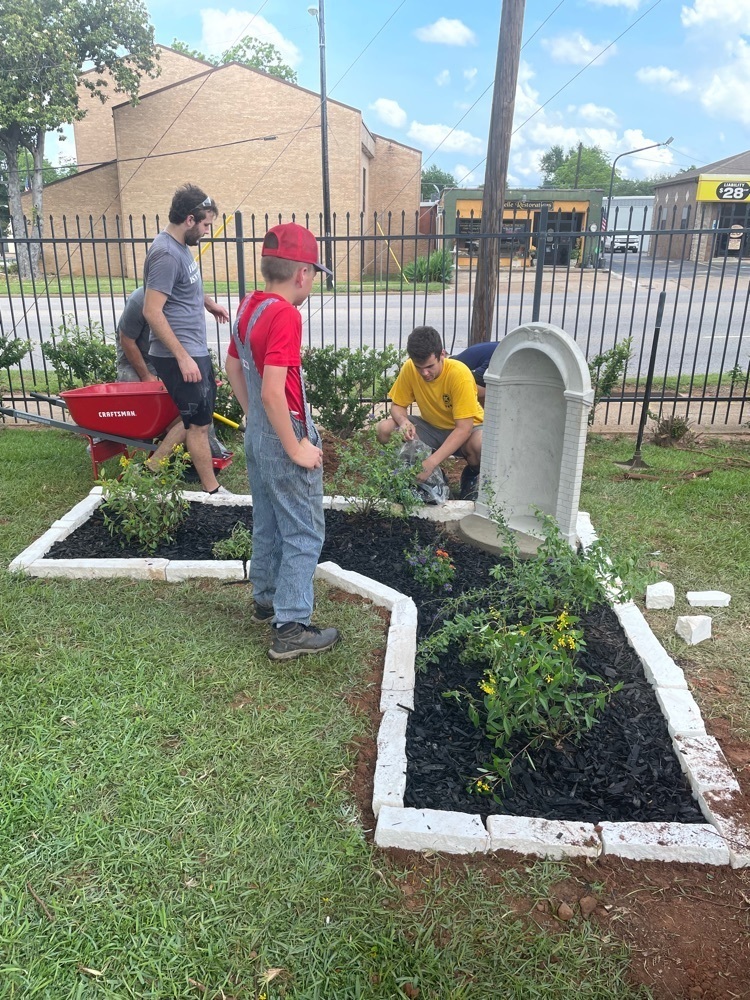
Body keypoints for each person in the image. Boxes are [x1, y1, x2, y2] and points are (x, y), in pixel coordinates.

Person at [224, 223, 340, 661]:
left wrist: (255, 418)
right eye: (312, 272)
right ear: (302, 273)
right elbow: (275, 391)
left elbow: (234, 368)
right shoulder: (286, 315)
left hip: (257, 434)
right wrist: (295, 447)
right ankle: (290, 626)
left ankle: (266, 598)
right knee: (305, 531)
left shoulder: (249, 306)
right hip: (284, 432)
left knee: (269, 520)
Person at [142, 183, 232, 495]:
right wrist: (182, 357)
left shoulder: (179, 247)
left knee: (198, 419)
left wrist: (207, 302)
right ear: (190, 220)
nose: (208, 231)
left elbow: (182, 286)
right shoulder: (166, 253)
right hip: (178, 354)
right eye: (206, 224)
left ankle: (154, 467)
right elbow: (152, 311)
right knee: (198, 424)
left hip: (192, 349)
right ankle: (212, 490)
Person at [116, 285, 231, 468]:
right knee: (167, 407)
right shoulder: (139, 300)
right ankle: (154, 453)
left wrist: (210, 304)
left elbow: (194, 286)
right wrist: (146, 377)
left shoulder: (181, 288)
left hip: (166, 357)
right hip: (136, 361)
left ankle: (198, 443)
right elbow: (127, 341)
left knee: (194, 402)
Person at [376, 326, 483, 500]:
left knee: (480, 445)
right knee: (385, 429)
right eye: (419, 367)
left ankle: (471, 476)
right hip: (432, 428)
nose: (425, 373)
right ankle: (437, 477)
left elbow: (464, 429)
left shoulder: (459, 374)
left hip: (468, 431)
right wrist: (403, 422)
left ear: (442, 354)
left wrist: (431, 462)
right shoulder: (410, 368)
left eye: (430, 366)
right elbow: (397, 406)